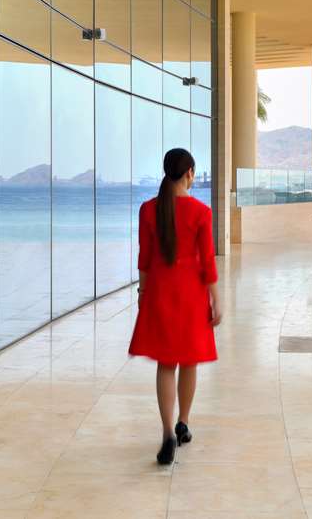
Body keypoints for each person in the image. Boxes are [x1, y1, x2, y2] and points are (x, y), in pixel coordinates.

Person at [128, 148, 221, 465]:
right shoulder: (201, 212)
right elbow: (207, 262)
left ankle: (167, 432)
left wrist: (143, 293)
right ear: (190, 173)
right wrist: (215, 298)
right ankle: (183, 422)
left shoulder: (148, 210)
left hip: (160, 292)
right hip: (192, 295)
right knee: (189, 360)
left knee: (166, 363)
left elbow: (144, 258)